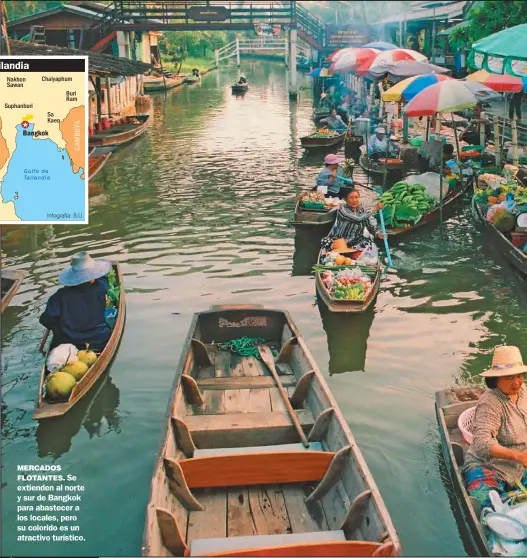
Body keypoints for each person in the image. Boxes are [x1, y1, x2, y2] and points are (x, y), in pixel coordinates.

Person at [463, 345, 527, 507]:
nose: (516, 382)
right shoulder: (490, 402)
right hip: (490, 466)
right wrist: (516, 456)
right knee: (489, 504)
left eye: (519, 376)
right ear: (495, 379)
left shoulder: (523, 391)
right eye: (509, 378)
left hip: (521, 465)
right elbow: (482, 444)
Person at [39, 252, 113, 352]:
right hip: (99, 339)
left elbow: (45, 320)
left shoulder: (60, 296)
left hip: (69, 343)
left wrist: (59, 326)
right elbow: (103, 279)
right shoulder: (101, 287)